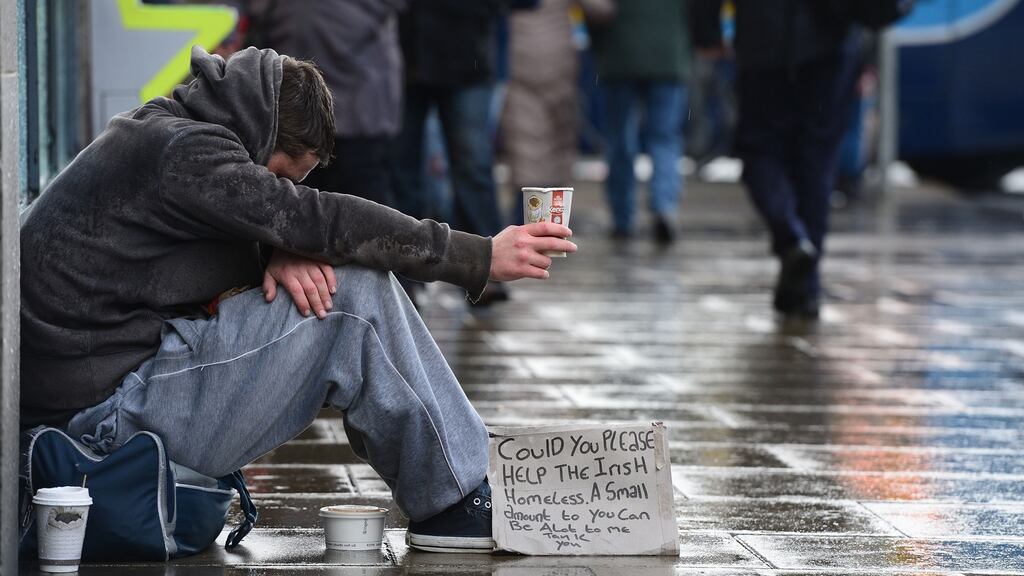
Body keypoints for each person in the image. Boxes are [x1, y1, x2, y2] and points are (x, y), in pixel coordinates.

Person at [19, 46, 576, 553]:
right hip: (98, 431)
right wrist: (477, 257)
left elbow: (250, 224)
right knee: (354, 299)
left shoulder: (174, 131)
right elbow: (323, 219)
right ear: (264, 137)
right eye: (283, 178)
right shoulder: (185, 151)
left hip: (112, 396)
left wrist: (273, 242)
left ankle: (457, 484)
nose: (285, 192)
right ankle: (454, 501)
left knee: (340, 283)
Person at [693, 0, 860, 318]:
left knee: (759, 151)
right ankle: (806, 288)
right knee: (816, 163)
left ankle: (792, 239)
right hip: (830, 43)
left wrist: (707, 32)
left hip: (763, 47)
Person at [391, 0, 514, 304]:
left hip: (463, 51)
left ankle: (486, 268)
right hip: (410, 53)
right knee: (403, 170)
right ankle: (407, 271)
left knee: (472, 167)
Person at [246, 0, 407, 206]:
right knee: (293, 199)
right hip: (289, 84)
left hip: (359, 86)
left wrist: (344, 21)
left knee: (364, 196)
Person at [587, 0, 693, 244]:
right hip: (668, 53)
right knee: (665, 138)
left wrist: (599, 47)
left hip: (619, 53)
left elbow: (595, 9)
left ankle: (622, 217)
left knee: (620, 139)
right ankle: (664, 206)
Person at [501, 0, 580, 223]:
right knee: (558, 145)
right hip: (560, 59)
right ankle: (555, 216)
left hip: (519, 58)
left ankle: (524, 215)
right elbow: (602, 9)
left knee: (524, 141)